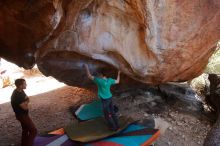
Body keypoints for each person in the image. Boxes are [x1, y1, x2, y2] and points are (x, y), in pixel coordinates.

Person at [84, 64, 121, 131]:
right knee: (112, 112)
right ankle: (118, 126)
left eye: (98, 75)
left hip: (105, 100)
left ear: (102, 75)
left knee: (106, 114)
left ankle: (112, 127)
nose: (97, 76)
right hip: (110, 98)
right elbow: (118, 81)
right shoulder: (109, 80)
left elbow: (89, 76)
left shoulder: (99, 81)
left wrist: (86, 67)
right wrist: (118, 73)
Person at [11, 79, 37, 146]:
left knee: (25, 130)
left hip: (23, 114)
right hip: (22, 116)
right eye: (25, 84)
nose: (26, 85)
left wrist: (26, 102)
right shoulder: (17, 96)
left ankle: (23, 144)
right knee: (33, 131)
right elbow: (26, 107)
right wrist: (27, 102)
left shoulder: (21, 90)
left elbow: (27, 98)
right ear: (20, 86)